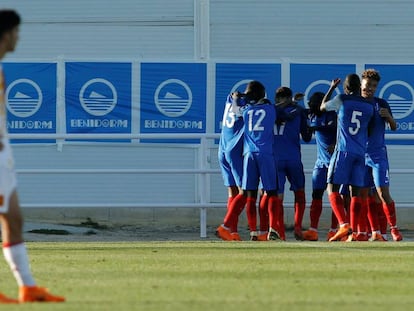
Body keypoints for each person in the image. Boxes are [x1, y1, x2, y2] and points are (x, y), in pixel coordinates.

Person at [0, 9, 65, 303]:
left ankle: (27, 287)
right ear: (6, 35)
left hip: (4, 153)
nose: (18, 38)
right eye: (16, 32)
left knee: (13, 218)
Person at [216, 80, 282, 241]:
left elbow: (236, 105)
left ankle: (231, 229)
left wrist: (238, 96)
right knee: (269, 192)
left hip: (234, 151)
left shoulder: (242, 106)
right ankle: (270, 229)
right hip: (256, 153)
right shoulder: (269, 108)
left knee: (242, 192)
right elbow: (282, 111)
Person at [320, 74, 375, 242]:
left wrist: (330, 88)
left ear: (345, 87)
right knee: (355, 192)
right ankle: (353, 231)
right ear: (360, 87)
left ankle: (343, 224)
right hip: (360, 153)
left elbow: (322, 107)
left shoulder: (342, 99)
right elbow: (370, 130)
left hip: (343, 151)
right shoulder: (369, 106)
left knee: (332, 188)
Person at [360, 69, 402, 241]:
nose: (370, 88)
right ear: (362, 83)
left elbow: (394, 127)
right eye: (368, 84)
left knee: (382, 192)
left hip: (378, 155)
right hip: (360, 155)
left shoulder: (381, 104)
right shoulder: (354, 103)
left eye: (374, 86)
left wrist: (388, 118)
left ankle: (393, 229)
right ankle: (375, 231)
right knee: (365, 194)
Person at [273, 87, 312, 240]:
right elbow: (307, 137)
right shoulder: (299, 111)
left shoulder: (269, 111)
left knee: (277, 196)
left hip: (275, 159)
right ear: (289, 98)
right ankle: (297, 227)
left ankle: (280, 232)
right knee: (300, 192)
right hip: (293, 158)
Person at [301, 92, 339, 241]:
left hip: (334, 163)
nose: (311, 107)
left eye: (314, 104)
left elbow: (343, 133)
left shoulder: (333, 116)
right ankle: (313, 230)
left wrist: (335, 144)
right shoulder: (312, 115)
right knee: (316, 195)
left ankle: (334, 229)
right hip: (321, 163)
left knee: (335, 196)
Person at [217, 93, 246, 241]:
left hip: (222, 148)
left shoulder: (229, 99)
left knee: (232, 192)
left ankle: (233, 232)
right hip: (234, 152)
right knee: (245, 191)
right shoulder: (246, 106)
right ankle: (226, 226)